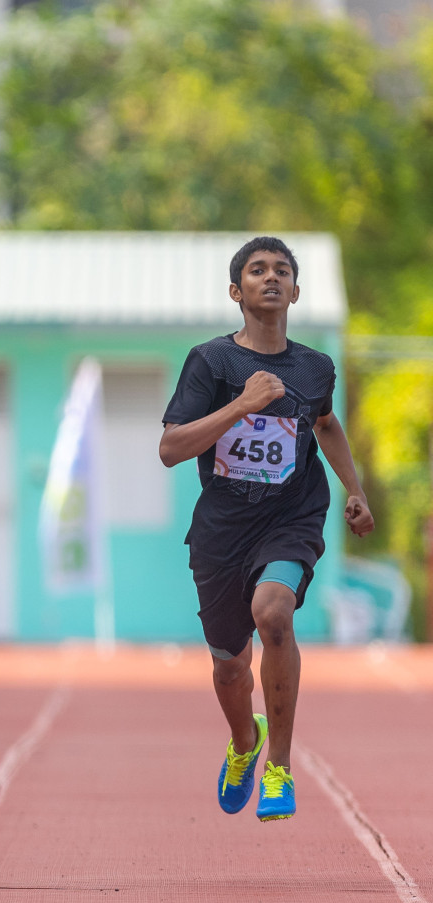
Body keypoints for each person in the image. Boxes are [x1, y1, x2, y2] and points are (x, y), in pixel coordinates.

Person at [160, 236, 374, 823]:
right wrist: (241, 405)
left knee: (274, 613)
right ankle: (245, 743)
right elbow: (171, 448)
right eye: (257, 270)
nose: (271, 277)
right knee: (230, 667)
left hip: (292, 515)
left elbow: (325, 423)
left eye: (282, 270)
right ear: (237, 291)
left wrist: (354, 490)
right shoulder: (212, 363)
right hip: (223, 530)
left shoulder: (314, 366)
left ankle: (278, 764)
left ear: (296, 291)